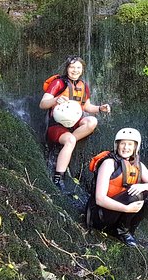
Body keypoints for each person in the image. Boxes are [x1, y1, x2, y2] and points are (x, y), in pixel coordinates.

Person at [39, 55, 111, 192]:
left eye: (78, 67)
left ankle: (67, 143)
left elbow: (87, 107)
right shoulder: (58, 83)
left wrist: (100, 108)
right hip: (56, 125)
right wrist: (55, 100)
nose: (75, 70)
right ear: (67, 68)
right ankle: (58, 177)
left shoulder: (83, 86)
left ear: (82, 69)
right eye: (72, 67)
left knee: (92, 121)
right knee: (70, 140)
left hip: (74, 123)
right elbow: (43, 104)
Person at [86, 128, 148, 247]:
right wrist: (126, 209)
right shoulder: (109, 163)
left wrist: (142, 186)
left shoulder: (138, 165)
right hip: (101, 217)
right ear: (117, 145)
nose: (126, 147)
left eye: (130, 144)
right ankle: (122, 232)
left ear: (136, 147)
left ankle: (127, 231)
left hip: (118, 214)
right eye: (123, 143)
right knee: (135, 195)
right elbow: (99, 199)